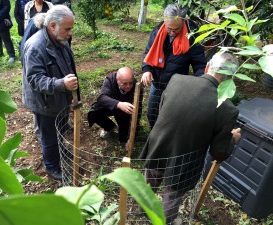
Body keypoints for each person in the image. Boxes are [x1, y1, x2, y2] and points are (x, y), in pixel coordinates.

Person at [140, 52, 242, 225]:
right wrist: (232, 139)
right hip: (184, 162)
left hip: (159, 144)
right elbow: (219, 152)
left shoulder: (177, 80)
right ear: (231, 78)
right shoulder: (227, 108)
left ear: (208, 66)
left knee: (148, 183)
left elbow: (163, 108)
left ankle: (142, 212)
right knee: (171, 196)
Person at [22, 5, 79, 180]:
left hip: (60, 98)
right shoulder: (35, 47)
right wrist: (62, 84)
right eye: (67, 29)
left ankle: (60, 151)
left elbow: (68, 66)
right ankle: (52, 166)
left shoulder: (59, 40)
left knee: (60, 129)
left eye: (71, 28)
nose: (70, 33)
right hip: (44, 102)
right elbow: (35, 80)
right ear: (52, 25)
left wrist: (72, 95)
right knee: (48, 136)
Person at [141, 3, 207, 128]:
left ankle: (166, 140)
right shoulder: (158, 30)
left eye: (176, 29)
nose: (172, 32)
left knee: (171, 118)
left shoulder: (191, 35)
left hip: (177, 87)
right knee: (152, 115)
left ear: (183, 21)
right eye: (169, 28)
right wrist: (146, 69)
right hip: (157, 83)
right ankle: (154, 137)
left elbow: (199, 64)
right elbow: (148, 53)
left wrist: (201, 83)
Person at [88, 67, 142, 144]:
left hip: (124, 113)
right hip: (110, 107)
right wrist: (118, 104)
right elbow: (101, 97)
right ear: (117, 81)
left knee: (124, 139)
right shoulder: (110, 80)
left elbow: (137, 112)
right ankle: (109, 127)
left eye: (131, 83)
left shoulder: (137, 87)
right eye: (124, 83)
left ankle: (125, 134)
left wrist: (131, 137)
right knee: (94, 113)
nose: (128, 86)